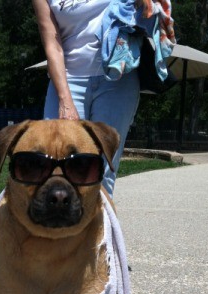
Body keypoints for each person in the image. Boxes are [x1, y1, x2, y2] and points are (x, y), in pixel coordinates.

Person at [32, 0, 173, 196]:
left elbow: (150, 17)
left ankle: (102, 226)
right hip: (67, 80)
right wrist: (65, 101)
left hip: (118, 78)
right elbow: (52, 45)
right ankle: (60, 225)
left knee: (103, 170)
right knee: (58, 165)